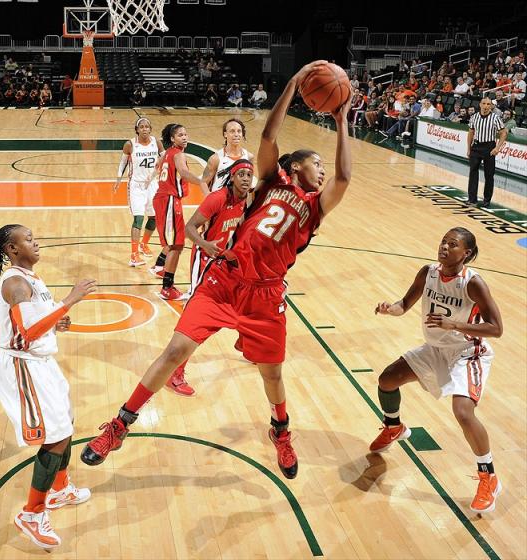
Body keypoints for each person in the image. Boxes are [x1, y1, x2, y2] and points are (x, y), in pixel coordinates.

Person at [80, 61, 352, 481]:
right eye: (316, 163)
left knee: (273, 375)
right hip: (224, 280)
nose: (322, 170)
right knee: (174, 352)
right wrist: (293, 83)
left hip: (265, 295)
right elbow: (267, 136)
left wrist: (342, 120)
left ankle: (281, 431)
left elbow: (345, 176)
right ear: (295, 167)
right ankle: (119, 426)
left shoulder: (315, 208)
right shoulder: (269, 184)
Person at [369, 227, 503, 514]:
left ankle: (488, 477)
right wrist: (388, 308)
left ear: (465, 253)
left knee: (464, 412)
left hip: (467, 353)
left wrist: (454, 325)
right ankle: (394, 428)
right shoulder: (428, 272)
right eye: (443, 241)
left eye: (452, 244)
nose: (444, 247)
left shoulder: (473, 283)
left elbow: (496, 328)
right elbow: (404, 305)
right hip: (436, 349)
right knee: (387, 380)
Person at [0, 224, 96, 550]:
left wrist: (56, 321)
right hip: (22, 365)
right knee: (55, 437)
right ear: (12, 249)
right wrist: (69, 302)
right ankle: (32, 514)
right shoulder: (16, 283)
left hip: (42, 362)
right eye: (28, 240)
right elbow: (29, 332)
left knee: (67, 423)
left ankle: (60, 487)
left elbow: (39, 322)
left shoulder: (32, 279)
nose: (36, 243)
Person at [168, 159, 254, 397]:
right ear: (232, 178)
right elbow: (190, 228)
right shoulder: (217, 198)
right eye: (241, 175)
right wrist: (206, 245)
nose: (246, 179)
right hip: (205, 259)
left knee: (249, 301)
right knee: (197, 312)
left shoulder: (249, 199)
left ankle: (245, 344)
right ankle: (175, 370)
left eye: (249, 175)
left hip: (228, 260)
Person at [148, 123, 206, 301]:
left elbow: (158, 166)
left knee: (176, 243)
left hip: (166, 199)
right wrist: (203, 181)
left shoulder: (168, 153)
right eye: (180, 135)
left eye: (186, 134)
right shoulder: (178, 154)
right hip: (169, 200)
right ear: (172, 139)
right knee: (176, 245)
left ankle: (160, 268)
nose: (185, 137)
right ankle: (167, 287)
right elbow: (184, 173)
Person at [113, 117, 162, 267]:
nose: (145, 129)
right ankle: (133, 255)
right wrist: (118, 179)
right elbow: (123, 162)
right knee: (138, 219)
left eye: (147, 127)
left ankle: (143, 244)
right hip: (136, 186)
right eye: (142, 127)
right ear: (137, 129)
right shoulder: (130, 144)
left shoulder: (156, 143)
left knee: (154, 218)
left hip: (152, 184)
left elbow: (164, 158)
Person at [465, 98, 507, 208]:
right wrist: (469, 149)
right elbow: (470, 133)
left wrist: (497, 147)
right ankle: (472, 199)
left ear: (491, 106)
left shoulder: (495, 118)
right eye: (484, 103)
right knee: (473, 173)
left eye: (488, 104)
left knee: (489, 175)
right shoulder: (474, 117)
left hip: (489, 147)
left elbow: (503, 133)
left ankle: (487, 200)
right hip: (476, 146)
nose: (486, 106)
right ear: (480, 104)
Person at [200, 118, 255, 194]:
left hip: (239, 203)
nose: (236, 134)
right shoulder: (215, 158)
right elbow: (203, 183)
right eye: (232, 131)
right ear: (225, 134)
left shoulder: (249, 157)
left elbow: (249, 182)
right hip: (219, 202)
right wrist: (209, 199)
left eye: (239, 131)